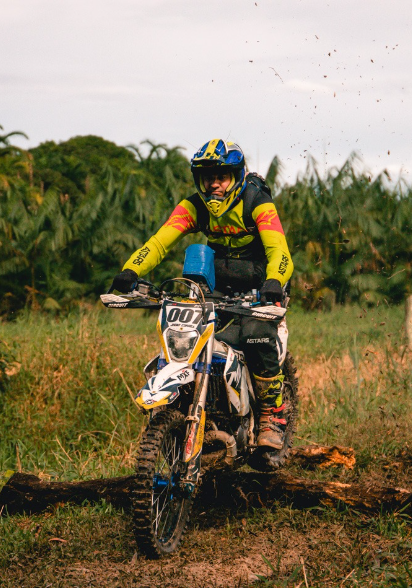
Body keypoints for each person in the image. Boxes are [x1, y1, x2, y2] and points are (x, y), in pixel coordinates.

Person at [111, 139, 294, 449]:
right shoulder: (194, 205)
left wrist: (274, 282)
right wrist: (131, 271)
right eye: (207, 177)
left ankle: (272, 416)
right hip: (217, 283)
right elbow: (159, 242)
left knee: (255, 335)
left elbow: (280, 251)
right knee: (191, 333)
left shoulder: (256, 202)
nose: (214, 185)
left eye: (221, 177)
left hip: (262, 282)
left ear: (236, 177)